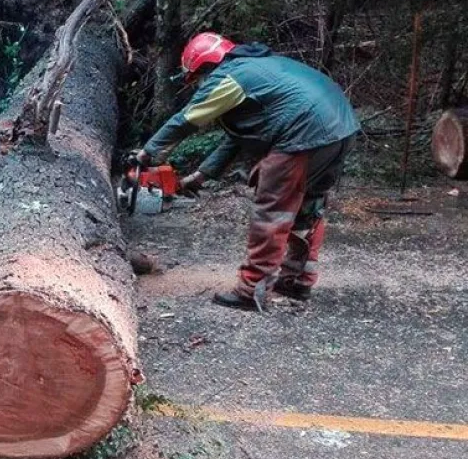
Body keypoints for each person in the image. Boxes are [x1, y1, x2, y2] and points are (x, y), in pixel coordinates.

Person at [132, 32, 359, 311]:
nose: (199, 84)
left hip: (303, 132)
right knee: (308, 207)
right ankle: (297, 280)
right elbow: (236, 139)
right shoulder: (259, 69)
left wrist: (146, 154)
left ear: (205, 67)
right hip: (342, 128)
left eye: (197, 77)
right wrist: (202, 175)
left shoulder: (228, 77)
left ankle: (252, 289)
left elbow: (186, 120)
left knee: (272, 209)